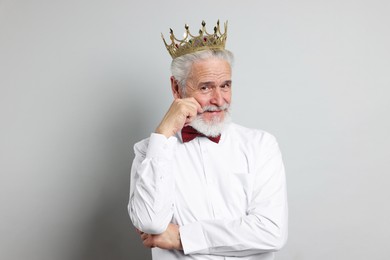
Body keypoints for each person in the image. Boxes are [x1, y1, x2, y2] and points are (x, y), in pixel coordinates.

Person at [128, 20, 288, 260]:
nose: (219, 99)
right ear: (176, 88)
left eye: (225, 85)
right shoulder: (149, 152)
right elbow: (150, 222)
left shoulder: (261, 145)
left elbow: (271, 232)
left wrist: (182, 237)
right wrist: (162, 134)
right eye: (205, 87)